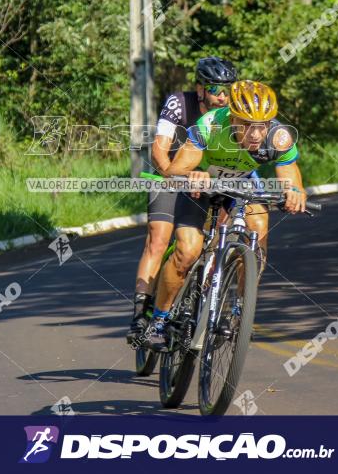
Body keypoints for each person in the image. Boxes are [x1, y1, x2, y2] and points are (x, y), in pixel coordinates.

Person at [147, 80, 308, 351]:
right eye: (246, 124)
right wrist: (191, 174)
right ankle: (158, 320)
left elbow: (290, 175)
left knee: (258, 227)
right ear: (232, 119)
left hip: (242, 183)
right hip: (202, 184)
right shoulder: (210, 125)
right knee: (188, 251)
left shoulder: (278, 136)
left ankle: (239, 311)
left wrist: (294, 192)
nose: (256, 134)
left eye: (262, 125)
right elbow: (174, 171)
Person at [126, 56, 237, 345]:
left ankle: (200, 303)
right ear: (200, 89)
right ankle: (141, 316)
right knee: (159, 239)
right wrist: (172, 176)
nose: (222, 96)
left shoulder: (232, 113)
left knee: (214, 243)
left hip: (211, 182)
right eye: (215, 89)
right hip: (171, 175)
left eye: (227, 90)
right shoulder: (179, 103)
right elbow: (159, 150)